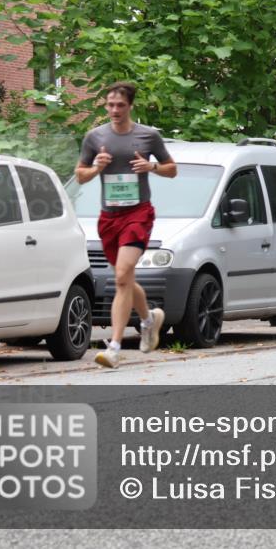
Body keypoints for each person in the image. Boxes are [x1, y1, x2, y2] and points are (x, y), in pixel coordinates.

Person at [75, 82, 176, 368]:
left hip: (138, 213)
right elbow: (80, 175)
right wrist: (97, 167)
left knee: (121, 276)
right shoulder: (95, 137)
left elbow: (172, 169)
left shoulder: (148, 136)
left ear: (130, 106)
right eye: (110, 105)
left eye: (120, 105)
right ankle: (149, 319)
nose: (115, 110)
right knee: (126, 277)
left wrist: (151, 166)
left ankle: (114, 348)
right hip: (109, 218)